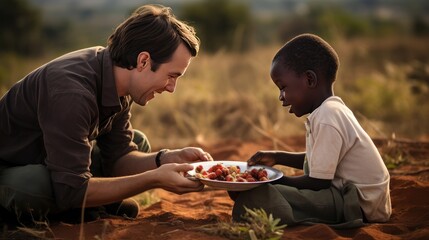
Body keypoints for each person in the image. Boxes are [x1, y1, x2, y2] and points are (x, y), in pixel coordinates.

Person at [0, 4, 213, 225]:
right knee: (35, 185)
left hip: (56, 161)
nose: (171, 88)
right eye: (171, 76)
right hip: (12, 167)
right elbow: (72, 191)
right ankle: (69, 211)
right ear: (143, 61)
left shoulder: (119, 76)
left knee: (138, 143)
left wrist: (166, 159)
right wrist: (152, 179)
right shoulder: (72, 92)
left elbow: (119, 157)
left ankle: (87, 209)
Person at [231, 33, 391, 228]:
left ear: (309, 79)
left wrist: (273, 181)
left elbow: (318, 182)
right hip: (350, 198)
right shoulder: (329, 111)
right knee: (255, 192)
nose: (281, 97)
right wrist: (277, 157)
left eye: (283, 87)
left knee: (258, 196)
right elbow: (319, 161)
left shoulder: (327, 116)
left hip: (356, 205)